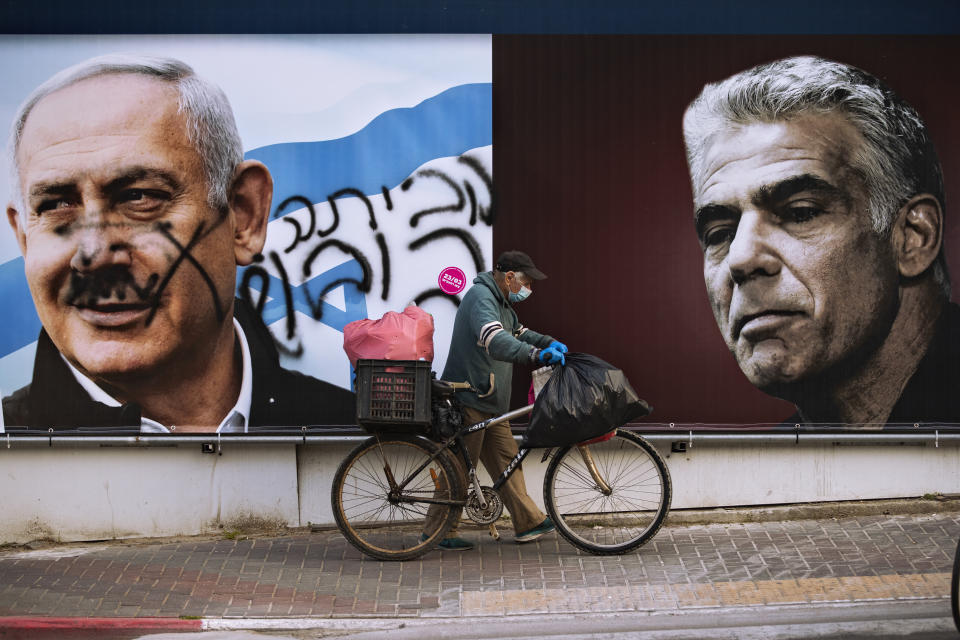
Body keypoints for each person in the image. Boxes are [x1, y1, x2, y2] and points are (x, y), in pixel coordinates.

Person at [2, 54, 355, 432]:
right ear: (24, 237)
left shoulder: (365, 446)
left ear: (244, 215)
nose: (93, 254)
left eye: (139, 197)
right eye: (56, 205)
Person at [682, 55, 959, 427]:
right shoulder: (775, 474)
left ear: (913, 237)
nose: (741, 258)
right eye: (720, 234)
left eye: (801, 212)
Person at [426, 250, 566, 550]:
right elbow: (495, 340)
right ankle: (438, 532)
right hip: (469, 397)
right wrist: (535, 354)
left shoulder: (503, 304)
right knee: (459, 469)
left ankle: (529, 523)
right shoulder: (481, 298)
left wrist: (548, 342)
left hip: (491, 402)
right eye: (527, 282)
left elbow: (519, 332)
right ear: (510, 277)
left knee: (508, 462)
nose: (529, 288)